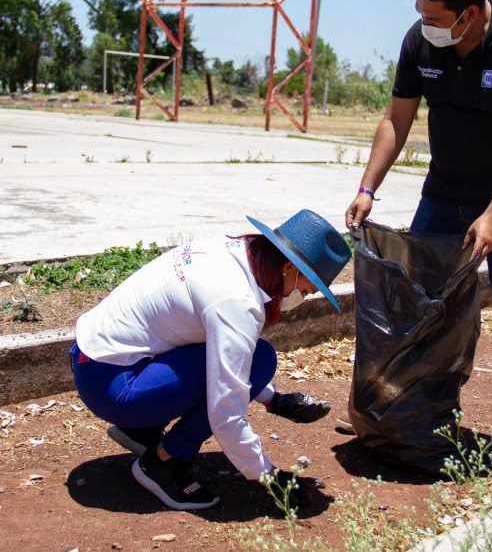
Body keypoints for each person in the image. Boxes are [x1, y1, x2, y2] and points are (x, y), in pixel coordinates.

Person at [345, 0, 492, 485]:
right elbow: (397, 119)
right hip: (442, 194)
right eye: (421, 14)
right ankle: (406, 414)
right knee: (418, 304)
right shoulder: (420, 42)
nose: (424, 26)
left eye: (436, 18)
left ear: (470, 11)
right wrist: (369, 187)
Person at [71, 209, 351, 510]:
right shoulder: (236, 302)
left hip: (100, 362)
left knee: (256, 358)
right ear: (288, 268)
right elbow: (225, 413)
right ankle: (162, 462)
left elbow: (218, 353)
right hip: (114, 387)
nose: (301, 298)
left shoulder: (234, 251)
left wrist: (272, 400)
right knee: (260, 360)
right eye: (305, 290)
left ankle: (141, 430)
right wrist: (267, 476)